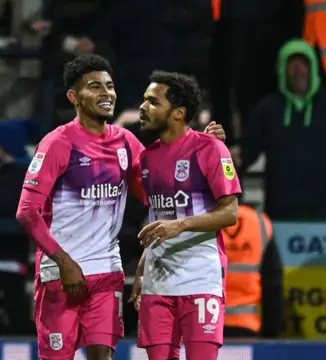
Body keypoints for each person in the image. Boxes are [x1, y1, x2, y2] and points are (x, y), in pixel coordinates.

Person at [15, 54, 227, 360]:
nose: (106, 93)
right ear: (73, 97)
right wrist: (64, 262)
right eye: (94, 86)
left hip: (106, 271)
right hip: (60, 275)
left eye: (110, 86)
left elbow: (162, 180)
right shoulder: (57, 143)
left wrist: (202, 147)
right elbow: (27, 211)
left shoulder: (126, 143)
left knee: (103, 356)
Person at [130, 71, 241, 360]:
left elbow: (230, 213)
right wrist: (142, 269)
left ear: (178, 113)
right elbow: (159, 218)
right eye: (144, 100)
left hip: (201, 279)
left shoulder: (210, 149)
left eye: (153, 102)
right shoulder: (146, 158)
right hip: (157, 283)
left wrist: (181, 225)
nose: (143, 107)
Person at [237, 39, 326, 220]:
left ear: (313, 67)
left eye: (303, 64)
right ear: (282, 69)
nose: (298, 70)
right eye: (292, 64)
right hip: (280, 212)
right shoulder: (268, 108)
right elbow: (249, 148)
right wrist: (236, 156)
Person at [222, 204, 285, 338]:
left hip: (203, 328)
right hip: (246, 329)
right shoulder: (259, 223)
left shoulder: (197, 220)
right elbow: (273, 285)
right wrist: (270, 337)